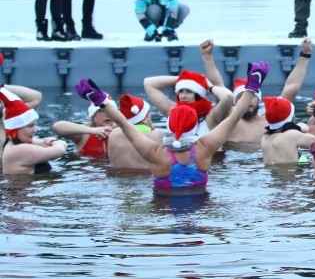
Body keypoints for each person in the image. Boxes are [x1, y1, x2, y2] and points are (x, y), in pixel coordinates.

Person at [75, 62, 267, 194]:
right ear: (194, 126)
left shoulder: (156, 153)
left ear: (169, 125)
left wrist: (100, 100)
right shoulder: (204, 149)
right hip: (202, 211)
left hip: (162, 210)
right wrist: (251, 87)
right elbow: (233, 117)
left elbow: (125, 124)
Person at [200, 38, 314, 144]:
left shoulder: (270, 119)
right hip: (234, 162)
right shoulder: (228, 120)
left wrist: (305, 55)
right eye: (241, 97)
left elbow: (291, 87)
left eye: (252, 96)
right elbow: (218, 86)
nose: (248, 100)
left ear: (259, 99)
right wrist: (207, 57)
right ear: (235, 101)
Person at [144, 67, 233, 139]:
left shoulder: (210, 118)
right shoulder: (173, 112)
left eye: (189, 91)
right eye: (181, 91)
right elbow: (148, 83)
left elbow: (228, 96)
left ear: (198, 94)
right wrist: (185, 78)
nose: (183, 96)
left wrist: (209, 86)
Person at [2, 90, 68, 174]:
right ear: (16, 128)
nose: (35, 130)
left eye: (34, 125)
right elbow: (60, 150)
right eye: (30, 126)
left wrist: (50, 143)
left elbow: (61, 144)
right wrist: (52, 143)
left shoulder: (16, 142)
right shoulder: (18, 150)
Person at [107, 94, 164, 170]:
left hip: (118, 179)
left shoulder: (113, 135)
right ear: (144, 118)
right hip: (145, 180)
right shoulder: (158, 135)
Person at [52, 95, 117, 158]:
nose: (107, 114)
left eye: (110, 110)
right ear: (93, 114)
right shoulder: (84, 134)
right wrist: (93, 130)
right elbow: (57, 127)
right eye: (101, 111)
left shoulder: (120, 131)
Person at [261, 96, 315, 166]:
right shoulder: (291, 135)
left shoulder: (265, 137)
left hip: (272, 175)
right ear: (291, 118)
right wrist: (299, 127)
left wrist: (297, 128)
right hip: (291, 174)